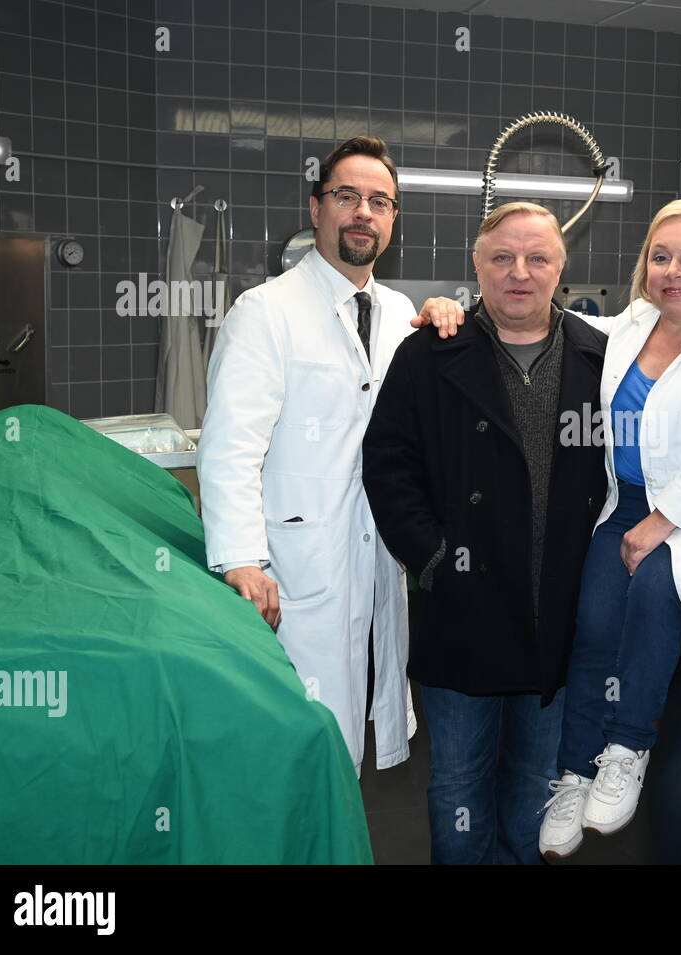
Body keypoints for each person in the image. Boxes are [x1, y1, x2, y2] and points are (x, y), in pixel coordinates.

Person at [362, 202, 610, 864]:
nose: (519, 273)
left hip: (554, 619)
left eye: (537, 258)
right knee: (460, 788)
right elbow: (387, 465)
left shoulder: (598, 360)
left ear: (561, 266)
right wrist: (434, 557)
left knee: (535, 788)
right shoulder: (428, 355)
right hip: (462, 614)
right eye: (502, 258)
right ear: (477, 266)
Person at [537, 199, 681, 858]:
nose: (673, 270)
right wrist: (474, 307)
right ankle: (576, 770)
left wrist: (659, 525)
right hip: (629, 501)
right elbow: (564, 327)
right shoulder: (634, 324)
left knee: (652, 590)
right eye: (661, 256)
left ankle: (627, 748)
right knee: (592, 620)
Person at [198, 135, 417, 777]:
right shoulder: (265, 312)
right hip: (294, 561)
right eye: (346, 195)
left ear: (393, 219)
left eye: (380, 201)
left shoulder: (401, 314)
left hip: (374, 551)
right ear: (316, 207)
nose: (363, 212)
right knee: (301, 741)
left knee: (354, 733)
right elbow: (231, 443)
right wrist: (241, 557)